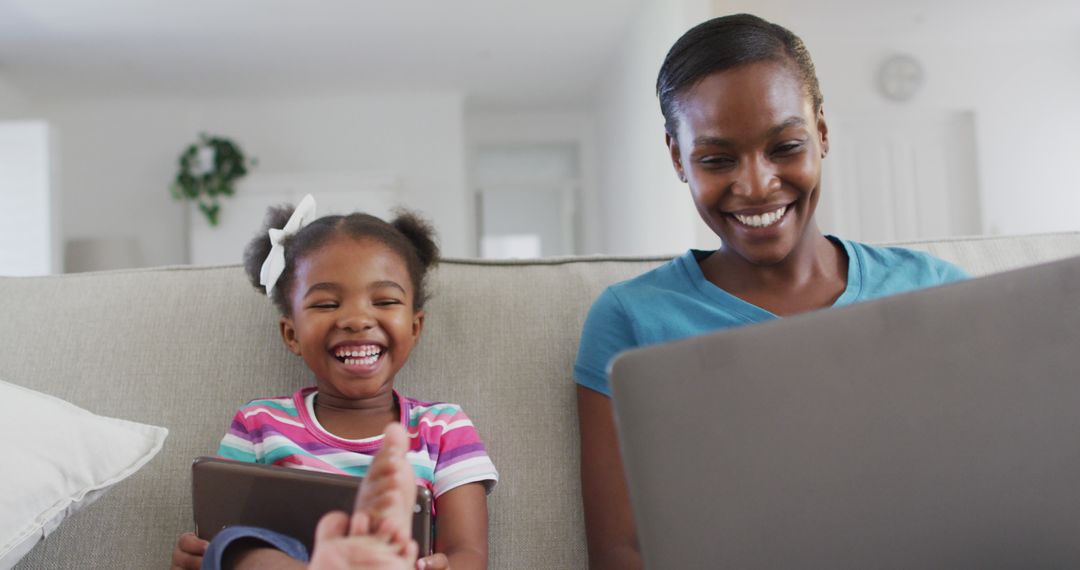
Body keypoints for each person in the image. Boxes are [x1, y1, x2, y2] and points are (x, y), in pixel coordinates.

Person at [574, 14, 968, 569]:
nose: (757, 185)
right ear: (676, 158)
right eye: (717, 159)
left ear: (822, 134)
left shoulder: (938, 292)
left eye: (784, 147)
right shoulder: (630, 320)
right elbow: (621, 553)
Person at [171, 195, 498, 570]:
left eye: (385, 301)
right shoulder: (259, 423)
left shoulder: (443, 428)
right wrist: (204, 555)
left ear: (414, 326)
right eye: (327, 304)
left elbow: (467, 555)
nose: (356, 319)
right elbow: (224, 531)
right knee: (237, 543)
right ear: (291, 334)